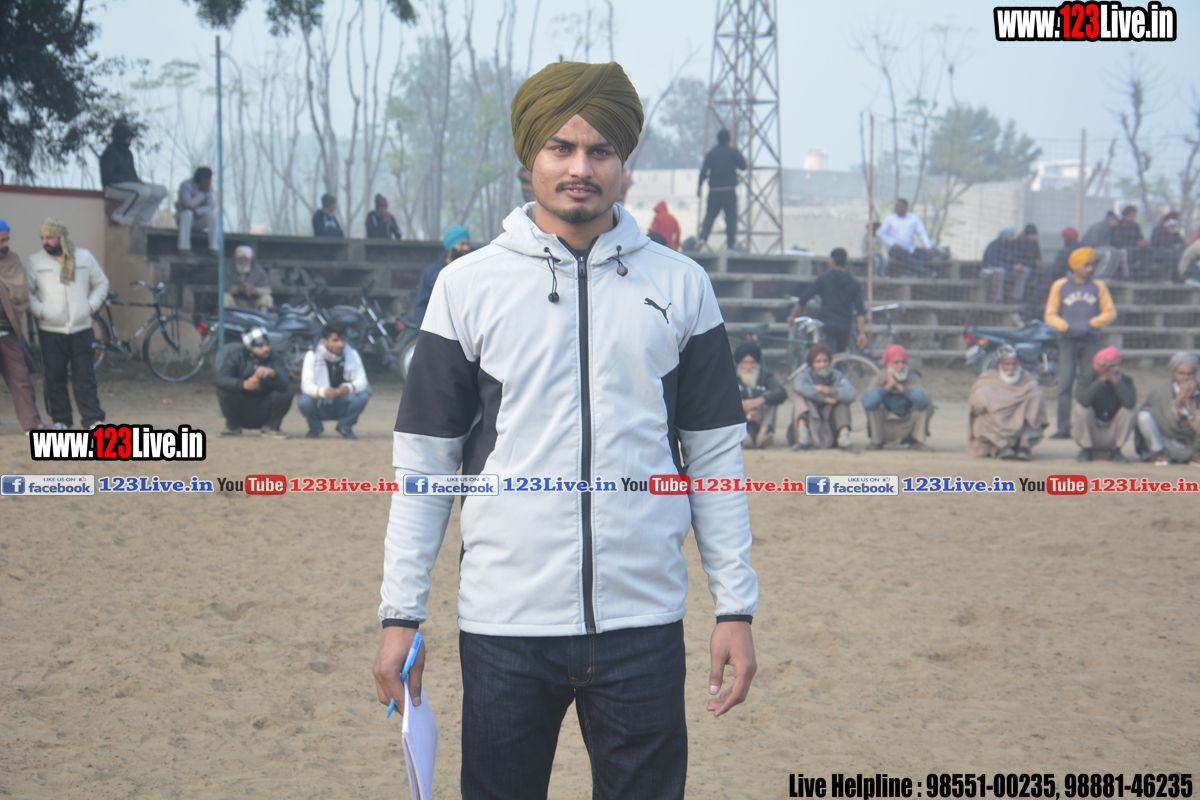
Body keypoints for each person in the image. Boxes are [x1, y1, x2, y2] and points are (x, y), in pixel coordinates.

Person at [374, 60, 758, 800]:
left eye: (600, 150)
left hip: (643, 623)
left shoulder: (683, 286)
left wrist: (734, 607)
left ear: (623, 164)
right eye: (561, 147)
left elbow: (715, 459)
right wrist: (400, 615)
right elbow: (425, 464)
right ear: (530, 159)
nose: (580, 168)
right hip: (505, 627)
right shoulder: (466, 287)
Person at [24, 219, 108, 430]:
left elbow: (101, 284)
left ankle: (93, 419)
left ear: (61, 238)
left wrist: (89, 307)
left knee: (85, 376)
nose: (45, 242)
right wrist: (42, 312)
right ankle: (61, 420)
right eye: (42, 238)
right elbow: (27, 293)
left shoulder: (84, 257)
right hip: (50, 330)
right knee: (53, 377)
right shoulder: (35, 262)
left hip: (81, 328)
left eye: (49, 237)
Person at [1044, 246, 1117, 439]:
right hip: (1067, 341)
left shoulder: (1098, 286)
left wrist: (1090, 324)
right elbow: (1050, 314)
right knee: (1065, 384)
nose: (1090, 269)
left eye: (1091, 265)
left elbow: (1110, 313)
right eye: (1086, 265)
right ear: (1075, 266)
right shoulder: (1060, 285)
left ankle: (1086, 426)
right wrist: (1066, 326)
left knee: (1089, 383)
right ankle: (1063, 428)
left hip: (1090, 341)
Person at [0, 221, 44, 433]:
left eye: (7, 239)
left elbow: (20, 293)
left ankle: (33, 425)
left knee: (20, 378)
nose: (6, 244)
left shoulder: (13, 260)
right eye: (2, 240)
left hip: (7, 331)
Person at [967, 344, 1048, 459]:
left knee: (1037, 396)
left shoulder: (1027, 379)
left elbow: (1036, 393)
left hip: (1021, 430)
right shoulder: (987, 379)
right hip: (994, 427)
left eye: (1015, 364)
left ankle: (1024, 445)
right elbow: (976, 406)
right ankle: (1001, 447)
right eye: (1007, 364)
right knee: (981, 420)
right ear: (999, 365)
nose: (1011, 368)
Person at [785, 247, 867, 353]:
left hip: (827, 323)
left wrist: (792, 315)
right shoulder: (854, 283)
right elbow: (860, 310)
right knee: (840, 355)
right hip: (845, 325)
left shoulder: (824, 279)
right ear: (845, 262)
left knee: (829, 354)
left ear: (831, 261)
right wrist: (861, 333)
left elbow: (805, 297)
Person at [214, 326, 292, 438]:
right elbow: (220, 379)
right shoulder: (236, 356)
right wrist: (243, 384)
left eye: (267, 344)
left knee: (286, 393)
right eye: (260, 346)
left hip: (265, 409)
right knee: (224, 390)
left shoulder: (276, 358)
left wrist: (273, 374)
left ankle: (271, 427)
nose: (266, 349)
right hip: (240, 409)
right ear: (249, 348)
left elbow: (285, 383)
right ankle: (233, 428)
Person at [299, 323, 370, 439]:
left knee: (363, 396)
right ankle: (315, 427)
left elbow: (362, 381)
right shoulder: (312, 355)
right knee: (304, 400)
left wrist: (349, 388)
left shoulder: (352, 354)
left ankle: (345, 426)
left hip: (342, 400)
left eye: (342, 340)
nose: (340, 344)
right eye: (335, 340)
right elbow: (306, 385)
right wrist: (323, 392)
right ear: (325, 341)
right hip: (320, 402)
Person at [861, 344, 932, 451]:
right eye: (896, 363)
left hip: (908, 425)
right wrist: (888, 386)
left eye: (903, 362)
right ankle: (876, 442)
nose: (901, 366)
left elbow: (922, 401)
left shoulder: (913, 377)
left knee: (927, 402)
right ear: (888, 365)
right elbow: (867, 403)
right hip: (886, 426)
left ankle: (916, 441)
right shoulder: (879, 378)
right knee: (873, 403)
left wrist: (898, 386)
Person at [1072, 346, 1136, 462]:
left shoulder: (1126, 380)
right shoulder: (1087, 379)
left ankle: (1116, 450)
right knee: (1081, 409)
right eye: (1112, 366)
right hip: (1092, 432)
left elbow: (1130, 403)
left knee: (1130, 411)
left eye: (1118, 365)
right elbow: (1083, 400)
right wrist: (1101, 379)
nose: (1116, 369)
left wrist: (1114, 380)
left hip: (1112, 432)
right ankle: (1086, 449)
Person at [1135, 352, 1200, 466]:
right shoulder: (1160, 391)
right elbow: (1165, 418)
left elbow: (1197, 426)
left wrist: (1188, 400)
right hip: (1167, 440)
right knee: (1144, 416)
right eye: (1181, 373)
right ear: (1173, 374)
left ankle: (1195, 455)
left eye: (1189, 374)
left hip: (1194, 442)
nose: (1185, 377)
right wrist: (1178, 399)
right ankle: (1161, 453)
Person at [789, 343, 856, 450]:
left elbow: (851, 393)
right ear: (812, 363)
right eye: (818, 361)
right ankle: (803, 438)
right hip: (811, 420)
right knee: (800, 397)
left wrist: (825, 389)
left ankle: (844, 438)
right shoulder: (805, 375)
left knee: (842, 400)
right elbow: (798, 386)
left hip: (829, 422)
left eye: (825, 361)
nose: (822, 364)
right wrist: (824, 398)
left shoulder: (837, 375)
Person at [100, 122, 168, 226]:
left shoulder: (128, 153)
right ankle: (119, 215)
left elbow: (133, 173)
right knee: (142, 191)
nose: (130, 139)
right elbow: (109, 177)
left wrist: (136, 180)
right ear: (121, 136)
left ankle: (141, 218)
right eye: (128, 137)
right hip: (112, 187)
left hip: (130, 184)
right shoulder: (110, 152)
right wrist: (133, 180)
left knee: (161, 191)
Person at [697, 129, 747, 251]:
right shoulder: (733, 152)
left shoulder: (711, 154)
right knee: (731, 218)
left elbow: (703, 171)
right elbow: (743, 166)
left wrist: (699, 186)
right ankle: (730, 246)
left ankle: (703, 238)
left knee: (710, 216)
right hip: (729, 191)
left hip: (714, 191)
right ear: (729, 139)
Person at [412, 225, 471, 326]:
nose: (466, 248)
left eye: (467, 244)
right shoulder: (431, 272)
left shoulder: (471, 271)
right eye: (461, 244)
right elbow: (421, 305)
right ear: (451, 245)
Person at [734, 342, 785, 449]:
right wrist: (745, 409)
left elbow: (781, 392)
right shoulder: (731, 376)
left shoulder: (764, 376)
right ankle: (745, 437)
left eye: (752, 363)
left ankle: (762, 435)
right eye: (745, 363)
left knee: (771, 398)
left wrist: (760, 400)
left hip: (760, 419)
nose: (749, 367)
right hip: (739, 420)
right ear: (739, 363)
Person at [1027, 227, 1080, 323]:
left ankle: (1028, 317)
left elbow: (1056, 270)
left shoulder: (1066, 251)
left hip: (1062, 282)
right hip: (1074, 281)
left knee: (1040, 292)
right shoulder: (1081, 249)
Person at [878, 198, 934, 277]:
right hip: (895, 250)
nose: (898, 208)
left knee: (927, 254)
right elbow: (881, 233)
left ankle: (911, 272)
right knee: (904, 254)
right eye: (896, 206)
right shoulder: (890, 219)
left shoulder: (914, 219)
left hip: (910, 249)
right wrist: (891, 243)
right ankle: (924, 272)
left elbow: (922, 233)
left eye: (900, 206)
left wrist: (928, 247)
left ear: (906, 207)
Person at [176, 167, 218, 252]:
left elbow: (211, 206)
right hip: (185, 221)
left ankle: (214, 248)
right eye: (208, 179)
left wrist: (197, 211)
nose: (209, 182)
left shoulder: (208, 188)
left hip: (199, 219)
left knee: (212, 215)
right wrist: (202, 194)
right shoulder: (186, 185)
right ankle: (184, 248)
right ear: (202, 179)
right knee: (187, 213)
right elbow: (188, 204)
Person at [224, 246, 273, 310]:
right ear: (235, 259)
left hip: (254, 304)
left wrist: (254, 290)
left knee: (267, 298)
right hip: (235, 303)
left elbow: (267, 289)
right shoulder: (228, 270)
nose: (243, 262)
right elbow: (224, 288)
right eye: (240, 259)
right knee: (225, 296)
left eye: (246, 260)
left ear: (250, 260)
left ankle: (263, 315)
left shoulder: (259, 272)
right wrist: (238, 289)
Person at [1081, 210, 1125, 279]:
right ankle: (1099, 276)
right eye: (1116, 221)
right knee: (1108, 253)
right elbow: (1093, 243)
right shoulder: (1099, 227)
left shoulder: (1111, 229)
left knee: (1117, 252)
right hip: (1088, 249)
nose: (1117, 223)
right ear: (1111, 220)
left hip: (1100, 249)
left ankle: (1109, 275)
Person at [979, 226, 1019, 303]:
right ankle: (997, 298)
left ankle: (1016, 298)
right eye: (1011, 236)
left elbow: (1015, 258)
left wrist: (1018, 265)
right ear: (1005, 237)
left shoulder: (1012, 245)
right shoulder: (994, 245)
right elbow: (994, 262)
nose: (1013, 238)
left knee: (1024, 271)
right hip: (987, 270)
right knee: (1000, 271)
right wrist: (1011, 267)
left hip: (1005, 270)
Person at [1112, 205, 1151, 279]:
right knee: (1129, 252)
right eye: (1130, 215)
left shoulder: (1135, 226)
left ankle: (1144, 276)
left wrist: (1144, 243)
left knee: (1148, 251)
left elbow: (1140, 238)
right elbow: (1118, 242)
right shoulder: (1118, 226)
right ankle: (1129, 276)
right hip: (1123, 249)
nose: (1132, 218)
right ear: (1125, 216)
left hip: (1136, 249)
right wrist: (1136, 243)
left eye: (1134, 216)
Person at [1013, 223, 1041, 302]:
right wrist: (1033, 262)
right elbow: (1018, 258)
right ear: (1027, 234)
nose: (1034, 237)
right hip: (1023, 266)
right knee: (1026, 272)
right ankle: (1018, 298)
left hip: (1034, 268)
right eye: (1032, 235)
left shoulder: (1035, 243)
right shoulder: (1019, 242)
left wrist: (1038, 262)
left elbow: (1039, 256)